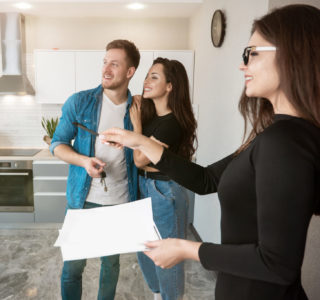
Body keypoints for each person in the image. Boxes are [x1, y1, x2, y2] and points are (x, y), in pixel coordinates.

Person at [100, 4, 320, 300]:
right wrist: (138, 141)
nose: (243, 65)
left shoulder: (285, 141)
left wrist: (186, 248)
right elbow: (205, 181)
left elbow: (278, 265)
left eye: (252, 53)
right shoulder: (274, 135)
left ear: (293, 54)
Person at [50, 39, 140, 300]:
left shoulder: (138, 109)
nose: (106, 69)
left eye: (114, 63)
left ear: (129, 72)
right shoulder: (80, 102)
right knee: (73, 267)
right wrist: (84, 161)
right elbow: (57, 144)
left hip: (120, 201)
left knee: (110, 266)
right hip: (83, 200)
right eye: (104, 62)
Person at [130, 57, 196, 300]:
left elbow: (139, 159)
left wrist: (136, 124)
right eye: (147, 76)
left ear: (170, 86)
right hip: (143, 186)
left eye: (154, 77)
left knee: (168, 258)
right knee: (146, 251)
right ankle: (159, 296)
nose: (146, 81)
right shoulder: (151, 118)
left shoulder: (172, 123)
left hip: (164, 191)